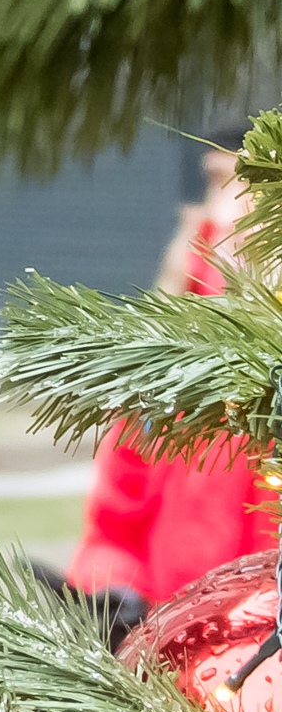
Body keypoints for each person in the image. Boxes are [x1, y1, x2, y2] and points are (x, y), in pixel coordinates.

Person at [62, 124, 276, 635]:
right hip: (166, 647)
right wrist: (116, 597)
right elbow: (113, 532)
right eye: (216, 184)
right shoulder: (166, 373)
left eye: (248, 188)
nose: (225, 211)